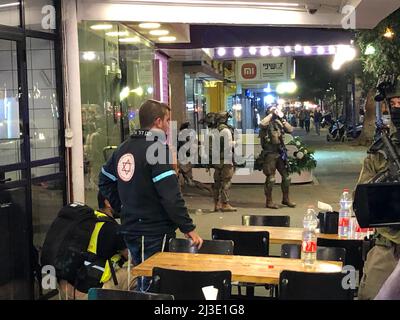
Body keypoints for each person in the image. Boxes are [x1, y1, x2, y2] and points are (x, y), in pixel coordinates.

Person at [98, 99, 203, 292]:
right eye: (167, 120)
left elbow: (104, 180)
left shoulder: (122, 148)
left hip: (130, 228)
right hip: (154, 231)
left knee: (140, 278)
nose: (168, 127)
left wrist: (122, 207)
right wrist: (188, 228)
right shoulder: (157, 150)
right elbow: (171, 196)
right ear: (157, 122)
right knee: (153, 285)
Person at [357, 79, 400, 300]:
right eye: (395, 102)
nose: (398, 107)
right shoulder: (380, 153)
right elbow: (363, 206)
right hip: (387, 248)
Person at [56, 192, 130, 300]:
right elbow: (131, 256)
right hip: (90, 291)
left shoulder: (88, 220)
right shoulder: (113, 229)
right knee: (136, 273)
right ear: (108, 203)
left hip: (68, 285)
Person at [259, 105, 296, 209]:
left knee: (287, 177)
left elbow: (290, 129)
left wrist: (282, 119)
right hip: (270, 153)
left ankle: (286, 199)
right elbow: (261, 123)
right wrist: (271, 113)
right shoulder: (266, 123)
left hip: (280, 152)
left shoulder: (278, 122)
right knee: (271, 179)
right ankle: (269, 201)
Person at [210, 112, 237, 212]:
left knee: (216, 183)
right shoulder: (226, 131)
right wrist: (235, 143)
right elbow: (228, 145)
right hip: (226, 160)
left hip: (216, 160)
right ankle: (225, 204)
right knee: (226, 181)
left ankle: (216, 204)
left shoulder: (214, 131)